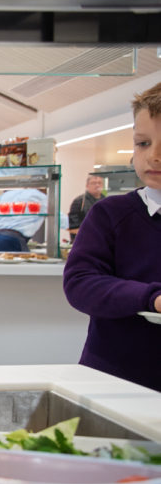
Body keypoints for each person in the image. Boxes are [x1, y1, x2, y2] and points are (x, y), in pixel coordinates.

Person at [63, 82, 161, 391]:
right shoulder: (110, 214)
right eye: (143, 143)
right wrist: (151, 298)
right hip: (113, 376)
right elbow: (80, 282)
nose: (154, 156)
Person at [67, 174, 105, 242]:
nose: (97, 185)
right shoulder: (80, 201)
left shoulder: (106, 201)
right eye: (94, 183)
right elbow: (73, 226)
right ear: (87, 185)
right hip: (85, 240)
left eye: (99, 183)